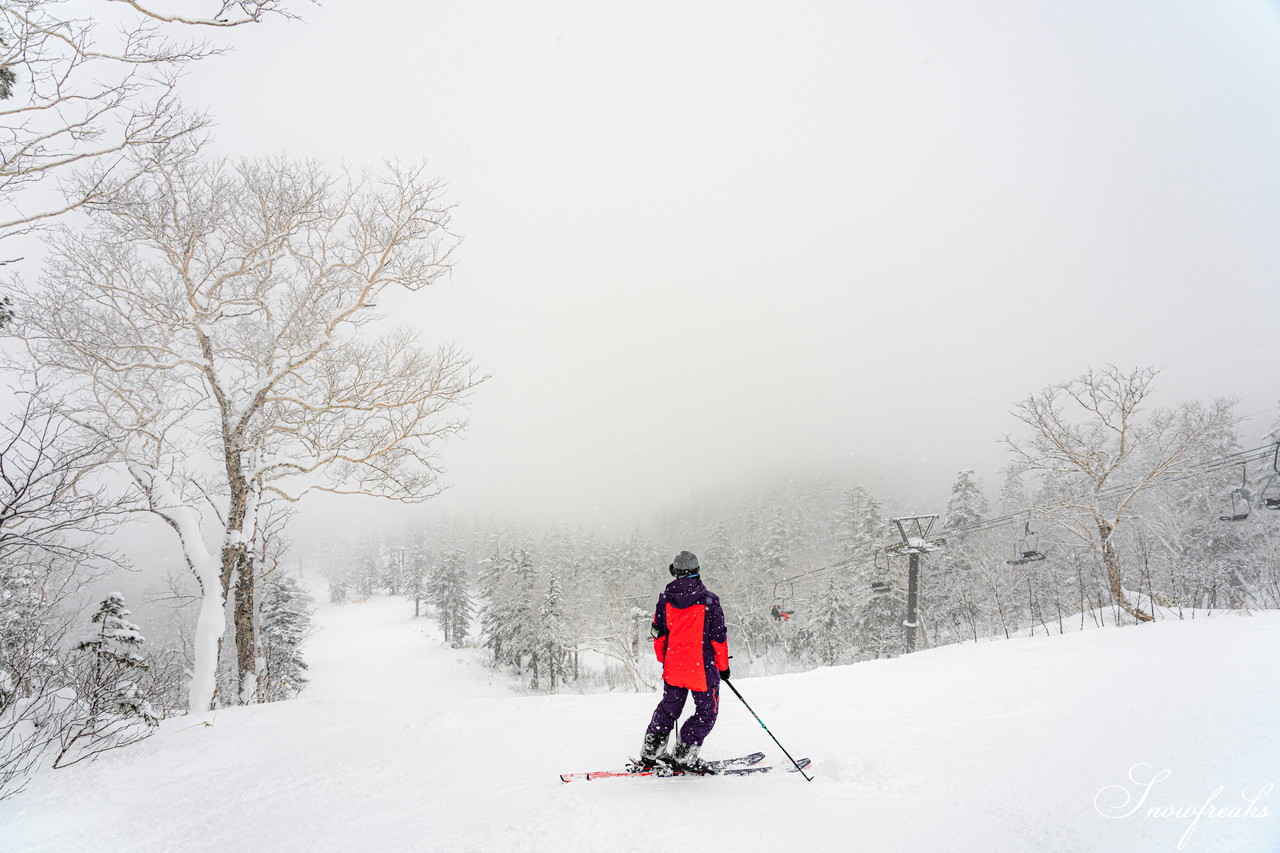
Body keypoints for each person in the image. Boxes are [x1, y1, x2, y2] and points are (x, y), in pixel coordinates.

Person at [635, 550, 730, 774]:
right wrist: (723, 668)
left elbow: (659, 635)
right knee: (706, 712)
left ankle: (652, 752)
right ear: (697, 571)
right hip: (702, 670)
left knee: (668, 710)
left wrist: (664, 660)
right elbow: (719, 639)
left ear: (674, 572)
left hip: (674, 668)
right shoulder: (710, 601)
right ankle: (683, 755)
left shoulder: (665, 600)